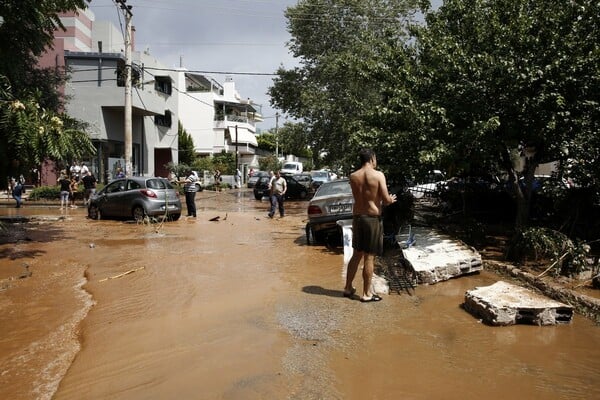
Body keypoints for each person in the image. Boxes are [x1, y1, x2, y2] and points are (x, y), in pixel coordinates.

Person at [343, 148, 397, 303]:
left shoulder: (353, 176)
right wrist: (391, 199)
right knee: (369, 256)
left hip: (357, 217)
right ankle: (366, 294)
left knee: (356, 254)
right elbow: (386, 200)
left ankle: (347, 287)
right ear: (372, 159)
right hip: (372, 219)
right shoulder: (378, 175)